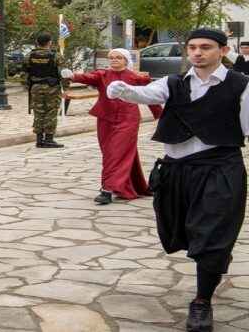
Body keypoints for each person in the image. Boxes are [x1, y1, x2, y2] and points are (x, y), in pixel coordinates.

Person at [107, 28, 248, 332]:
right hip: (177, 171)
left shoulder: (241, 86)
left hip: (220, 168)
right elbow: (144, 94)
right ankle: (213, 258)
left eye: (206, 47)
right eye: (193, 47)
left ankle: (201, 301)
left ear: (223, 51)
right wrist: (121, 88)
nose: (198, 53)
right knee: (180, 229)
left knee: (212, 235)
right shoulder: (173, 83)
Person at [61, 48, 162, 205]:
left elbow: (151, 97)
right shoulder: (102, 75)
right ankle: (136, 186)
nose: (114, 60)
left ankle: (107, 189)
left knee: (117, 153)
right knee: (112, 153)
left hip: (128, 120)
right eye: (112, 58)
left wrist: (160, 116)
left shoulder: (136, 77)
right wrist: (73, 76)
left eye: (118, 58)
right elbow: (87, 77)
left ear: (126, 60)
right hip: (105, 120)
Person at [24, 32, 66, 148]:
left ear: (37, 42)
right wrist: (65, 88)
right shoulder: (55, 56)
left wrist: (29, 85)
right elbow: (64, 73)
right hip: (52, 88)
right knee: (51, 112)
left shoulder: (29, 55)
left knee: (38, 112)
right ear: (50, 42)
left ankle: (39, 139)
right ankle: (48, 138)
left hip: (36, 87)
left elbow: (26, 70)